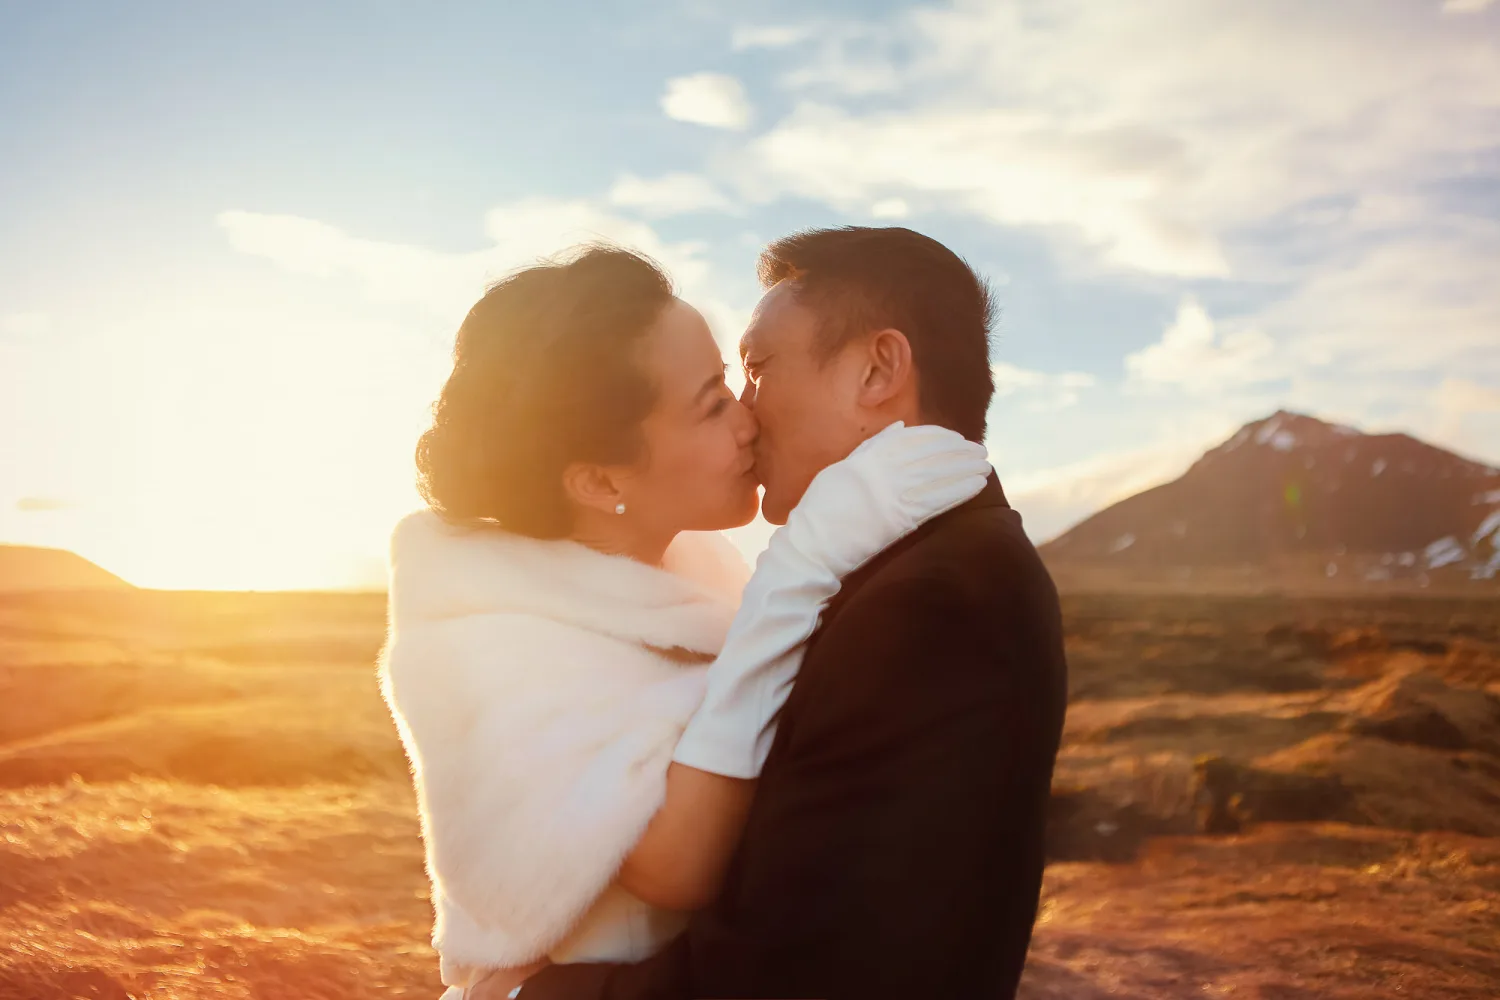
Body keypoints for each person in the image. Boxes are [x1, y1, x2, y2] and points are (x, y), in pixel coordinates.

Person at [378, 244, 992, 999]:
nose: (748, 419)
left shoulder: (696, 569)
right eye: (711, 403)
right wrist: (796, 574)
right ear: (602, 480)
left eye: (737, 383)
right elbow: (678, 863)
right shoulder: (490, 636)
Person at [516, 227, 1070, 1000]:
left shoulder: (934, 603)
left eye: (758, 368)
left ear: (879, 369)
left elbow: (795, 972)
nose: (744, 412)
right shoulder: (914, 565)